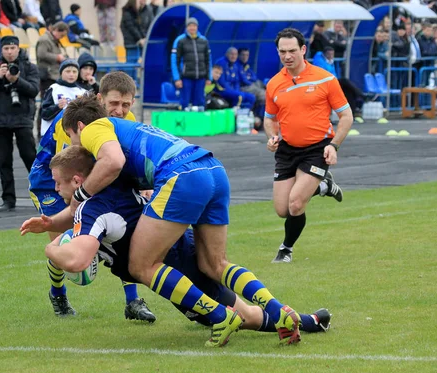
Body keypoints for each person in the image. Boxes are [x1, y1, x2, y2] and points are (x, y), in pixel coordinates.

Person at [60, 94, 306, 347]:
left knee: (141, 266)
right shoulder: (125, 129)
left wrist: (80, 195)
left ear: (79, 126)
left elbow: (113, 161)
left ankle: (220, 316)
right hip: (212, 168)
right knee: (215, 264)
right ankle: (278, 311)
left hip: (182, 175)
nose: (76, 146)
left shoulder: (95, 128)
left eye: (72, 138)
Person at [24, 144, 332, 336]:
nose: (54, 187)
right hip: (178, 245)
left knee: (243, 315)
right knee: (224, 274)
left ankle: (302, 321)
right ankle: (297, 319)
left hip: (174, 268)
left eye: (57, 182)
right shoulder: (111, 185)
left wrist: (52, 247)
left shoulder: (91, 208)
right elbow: (96, 215)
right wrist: (52, 222)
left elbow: (78, 260)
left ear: (78, 181)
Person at [27, 71, 155, 322]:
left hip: (87, 176)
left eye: (125, 105)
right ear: (100, 99)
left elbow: (121, 161)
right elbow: (71, 168)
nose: (119, 111)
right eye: (113, 104)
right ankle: (58, 293)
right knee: (66, 240)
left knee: (127, 231)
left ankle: (133, 302)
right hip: (53, 179)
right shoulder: (77, 121)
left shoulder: (125, 118)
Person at [264, 28, 351, 264]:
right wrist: (272, 137)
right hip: (287, 150)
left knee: (295, 203)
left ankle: (286, 249)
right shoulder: (274, 84)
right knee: (282, 209)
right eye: (282, 51)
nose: (287, 56)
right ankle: (324, 187)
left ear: (303, 50)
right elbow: (269, 119)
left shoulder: (325, 78)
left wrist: (334, 146)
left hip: (317, 148)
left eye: (292, 50)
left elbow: (346, 116)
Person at [0, 35, 39, 212]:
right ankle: (8, 199)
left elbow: (34, 90)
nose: (10, 52)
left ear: (18, 49)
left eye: (12, 48)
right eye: (6, 49)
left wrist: (16, 81)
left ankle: (42, 196)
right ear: (1, 50)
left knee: (31, 159)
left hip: (22, 120)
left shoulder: (28, 66)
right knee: (4, 162)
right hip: (0, 121)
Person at [170, 17, 211, 110]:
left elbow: (208, 60)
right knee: (185, 102)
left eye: (194, 26)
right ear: (186, 27)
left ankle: (199, 122)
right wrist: (177, 78)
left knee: (200, 102)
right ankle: (185, 122)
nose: (192, 28)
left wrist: (209, 77)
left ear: (197, 27)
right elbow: (174, 61)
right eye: (190, 26)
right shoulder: (180, 41)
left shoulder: (203, 41)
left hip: (201, 77)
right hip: (186, 77)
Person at [40, 58, 84, 136]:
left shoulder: (82, 92)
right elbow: (44, 113)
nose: (71, 74)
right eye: (68, 71)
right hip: (53, 135)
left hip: (74, 135)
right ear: (61, 73)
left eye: (74, 71)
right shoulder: (54, 89)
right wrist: (57, 107)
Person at [36, 20, 68, 96]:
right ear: (56, 30)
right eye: (61, 35)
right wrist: (57, 57)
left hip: (53, 74)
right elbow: (41, 54)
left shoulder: (52, 40)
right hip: (47, 75)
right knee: (46, 98)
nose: (61, 38)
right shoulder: (45, 39)